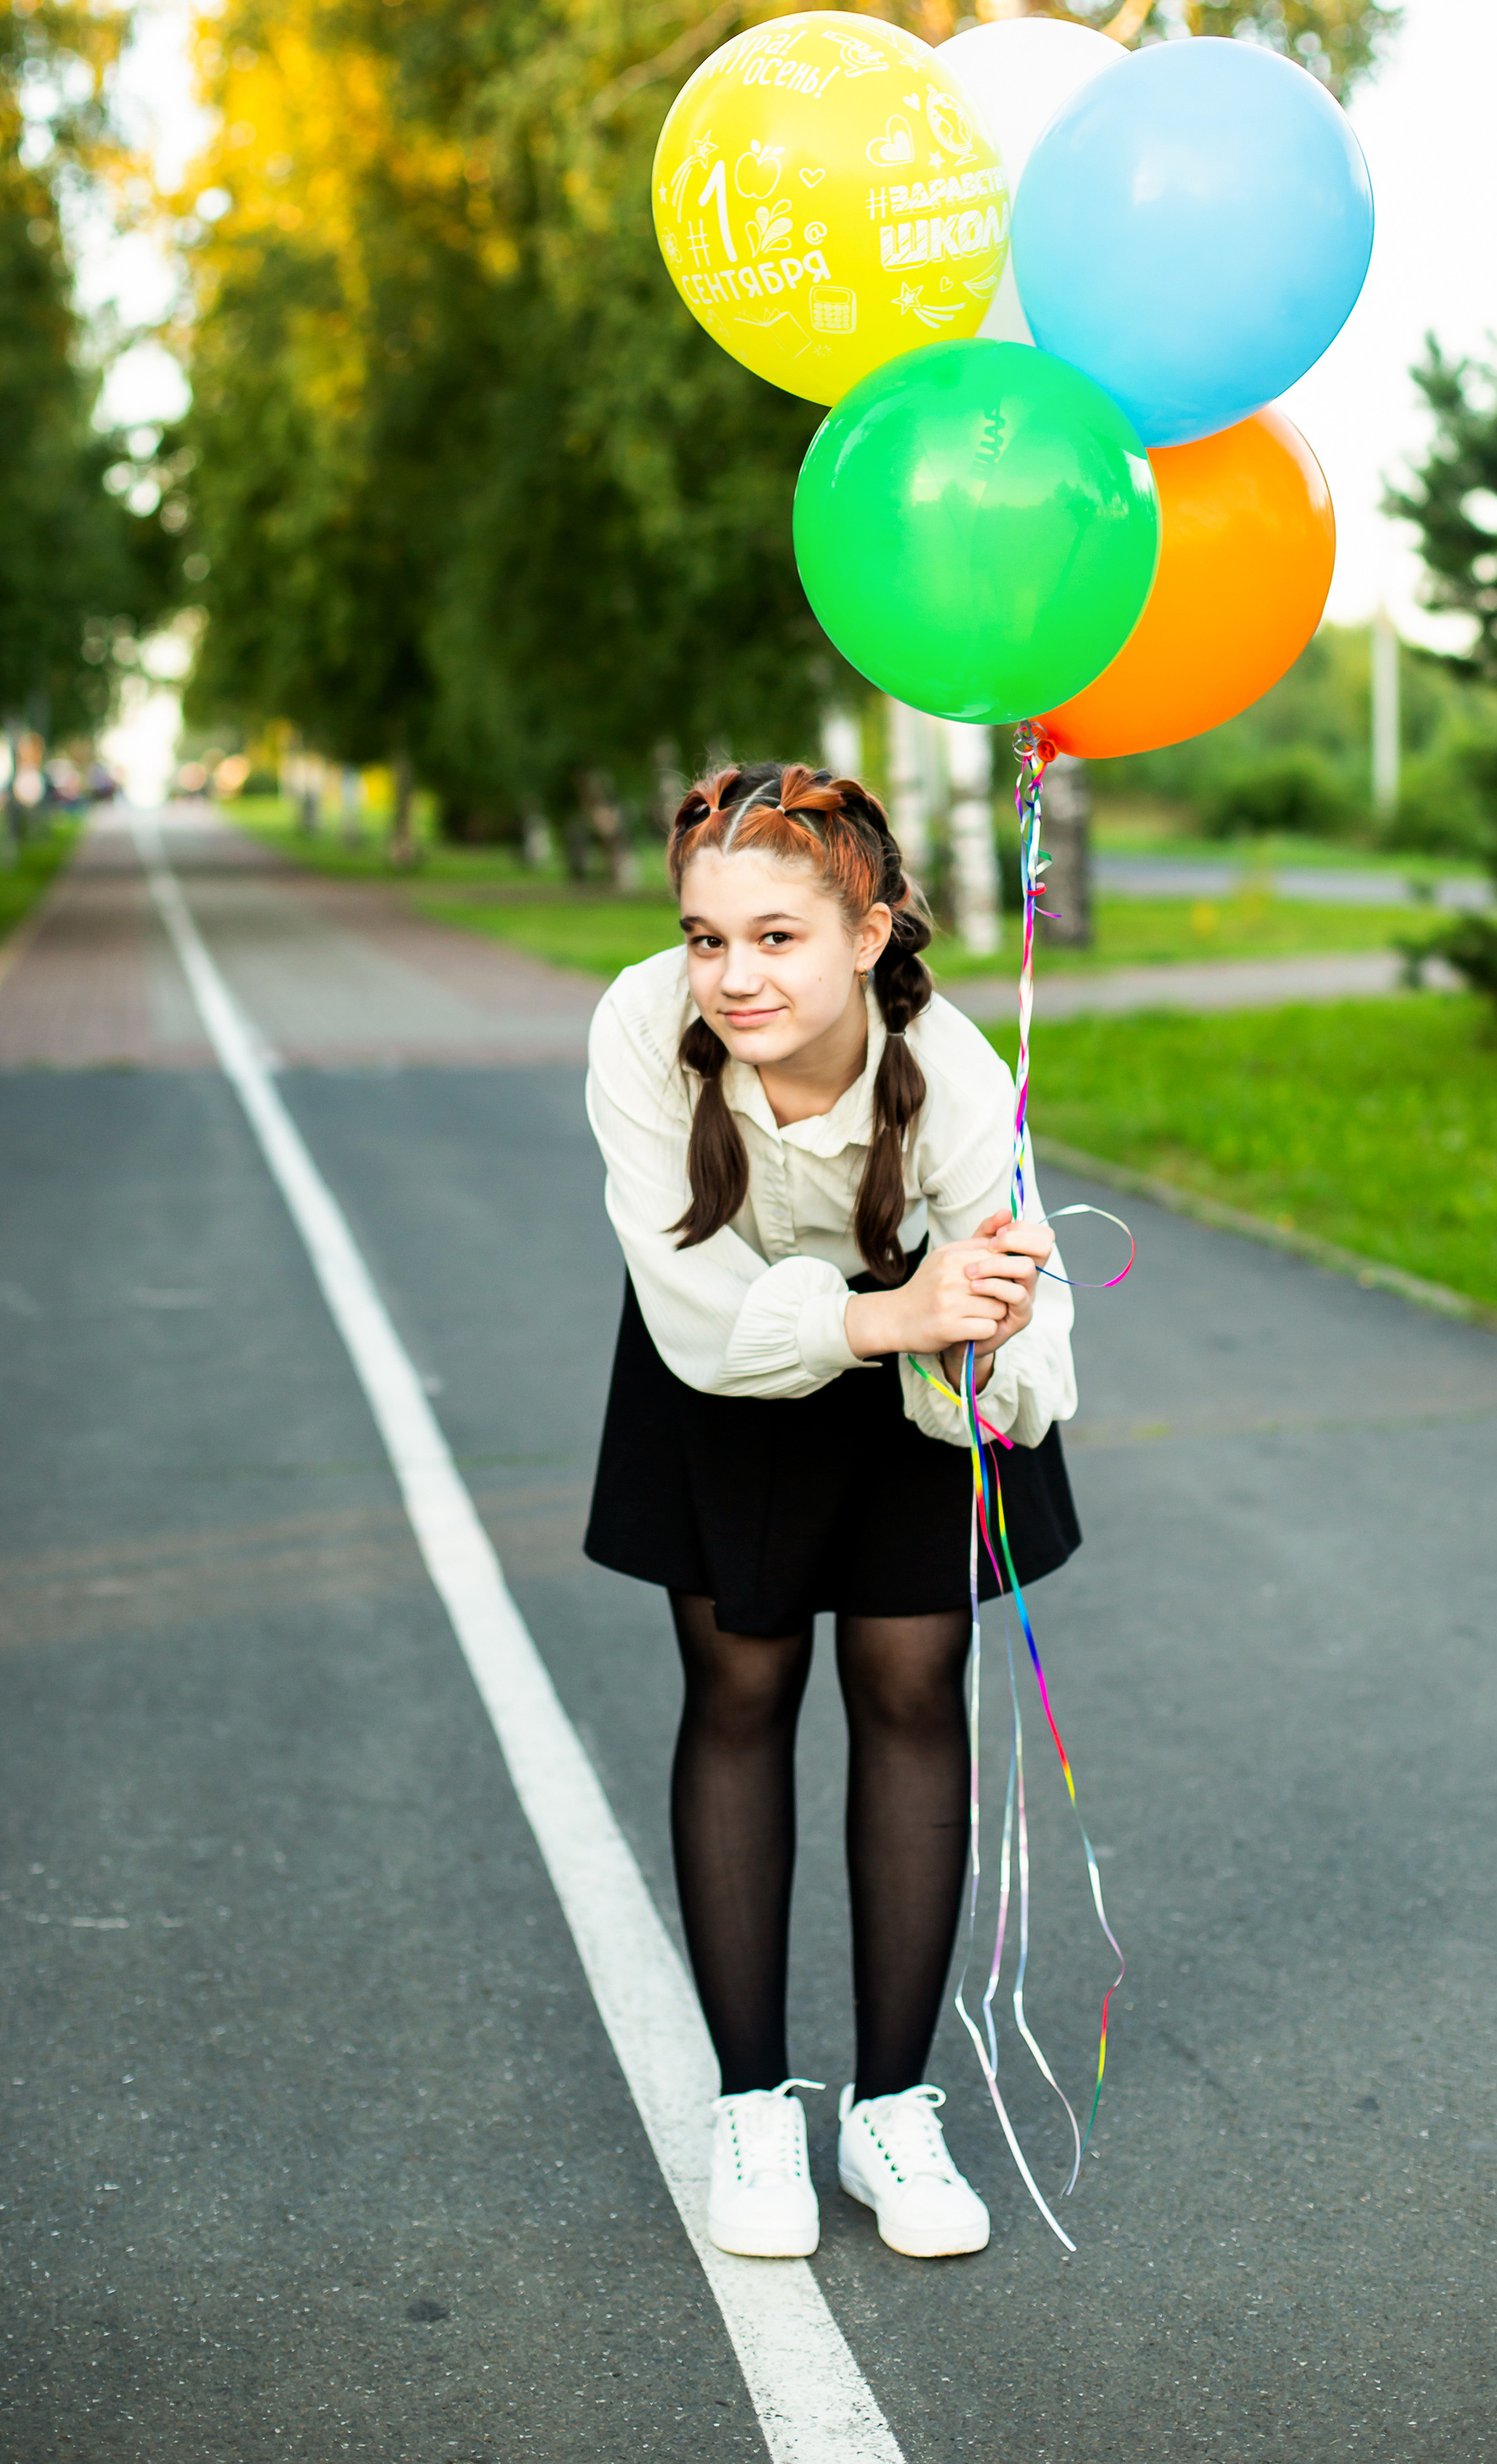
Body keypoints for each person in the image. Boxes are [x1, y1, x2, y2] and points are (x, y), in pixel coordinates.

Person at [584, 760, 1080, 2260]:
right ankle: (749, 2102)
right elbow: (691, 1312)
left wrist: (980, 1342)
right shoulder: (636, 1030)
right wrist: (883, 1314)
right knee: (739, 1680)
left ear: (867, 932)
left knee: (910, 1685)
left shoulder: (953, 1068)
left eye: (776, 938)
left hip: (917, 1358)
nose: (731, 974)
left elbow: (1035, 1345)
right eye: (704, 937)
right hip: (730, 1351)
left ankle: (891, 2110)